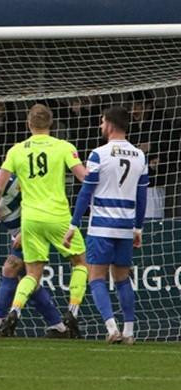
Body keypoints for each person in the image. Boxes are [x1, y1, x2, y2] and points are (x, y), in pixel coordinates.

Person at [0, 104, 89, 338]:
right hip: (58, 216)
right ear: (51, 123)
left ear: (29, 124)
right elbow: (84, 177)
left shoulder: (16, 150)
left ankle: (14, 312)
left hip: (31, 219)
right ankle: (72, 312)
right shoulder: (64, 146)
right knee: (80, 263)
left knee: (32, 273)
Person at [0, 145, 70, 338]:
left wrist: (25, 230)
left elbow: (32, 200)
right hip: (19, 235)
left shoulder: (8, 180)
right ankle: (59, 327)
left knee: (9, 269)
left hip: (33, 230)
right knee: (31, 283)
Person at [63, 106, 147, 345]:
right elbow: (141, 197)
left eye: (102, 122)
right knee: (122, 278)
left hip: (101, 225)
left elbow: (85, 191)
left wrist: (73, 224)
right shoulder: (140, 155)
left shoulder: (99, 154)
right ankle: (129, 331)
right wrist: (137, 229)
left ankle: (111, 328)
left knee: (96, 277)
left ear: (110, 125)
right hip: (125, 225)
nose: (100, 126)